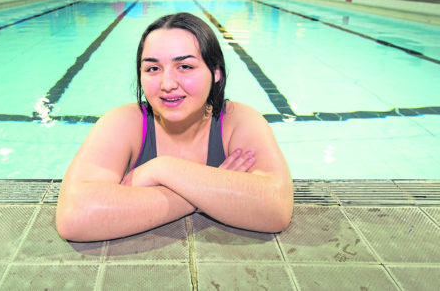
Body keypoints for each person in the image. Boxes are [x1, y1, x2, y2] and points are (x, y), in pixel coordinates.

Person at [55, 12, 293, 242]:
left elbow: (276, 209)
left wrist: (162, 168)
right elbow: (74, 216)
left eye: (185, 66)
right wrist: (215, 191)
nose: (167, 84)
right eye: (153, 69)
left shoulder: (238, 121)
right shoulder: (124, 123)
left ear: (216, 71)